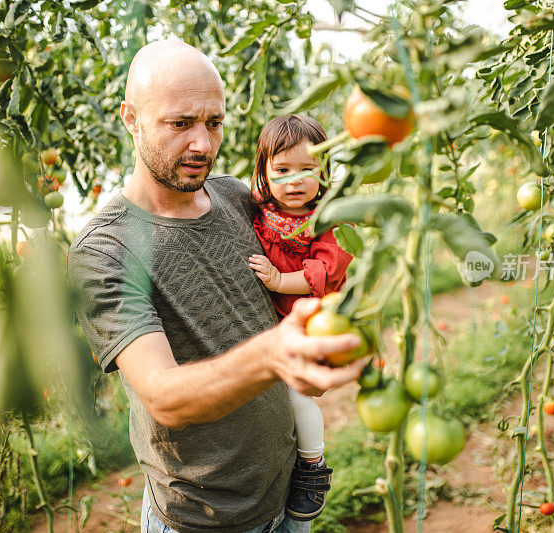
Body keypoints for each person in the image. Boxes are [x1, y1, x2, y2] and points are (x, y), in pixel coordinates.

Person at [66, 40, 368, 533]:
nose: (204, 145)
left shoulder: (233, 196)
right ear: (131, 118)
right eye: (181, 123)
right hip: (204, 520)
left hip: (288, 491)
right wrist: (278, 353)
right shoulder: (107, 249)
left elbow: (308, 233)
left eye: (214, 122)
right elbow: (163, 395)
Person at [246, 115, 353, 521]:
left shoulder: (328, 221)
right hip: (274, 322)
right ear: (265, 173)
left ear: (324, 171)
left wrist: (276, 280)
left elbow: (320, 275)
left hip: (309, 321)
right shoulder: (264, 206)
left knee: (296, 395)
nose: (295, 181)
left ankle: (312, 466)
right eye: (282, 170)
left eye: (308, 169)